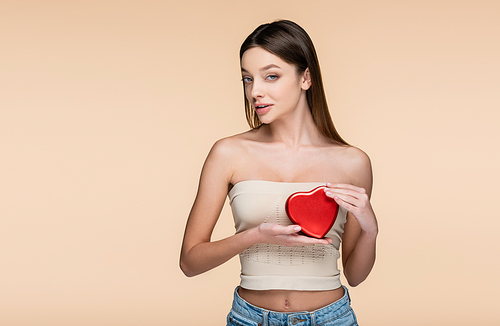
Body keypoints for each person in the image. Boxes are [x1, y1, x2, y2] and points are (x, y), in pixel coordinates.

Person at [180, 20, 378, 326]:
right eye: (247, 79)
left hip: (332, 318)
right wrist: (255, 236)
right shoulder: (227, 153)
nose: (255, 91)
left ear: (306, 78)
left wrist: (370, 229)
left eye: (271, 76)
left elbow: (356, 275)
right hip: (250, 318)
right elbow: (190, 262)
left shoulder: (353, 162)